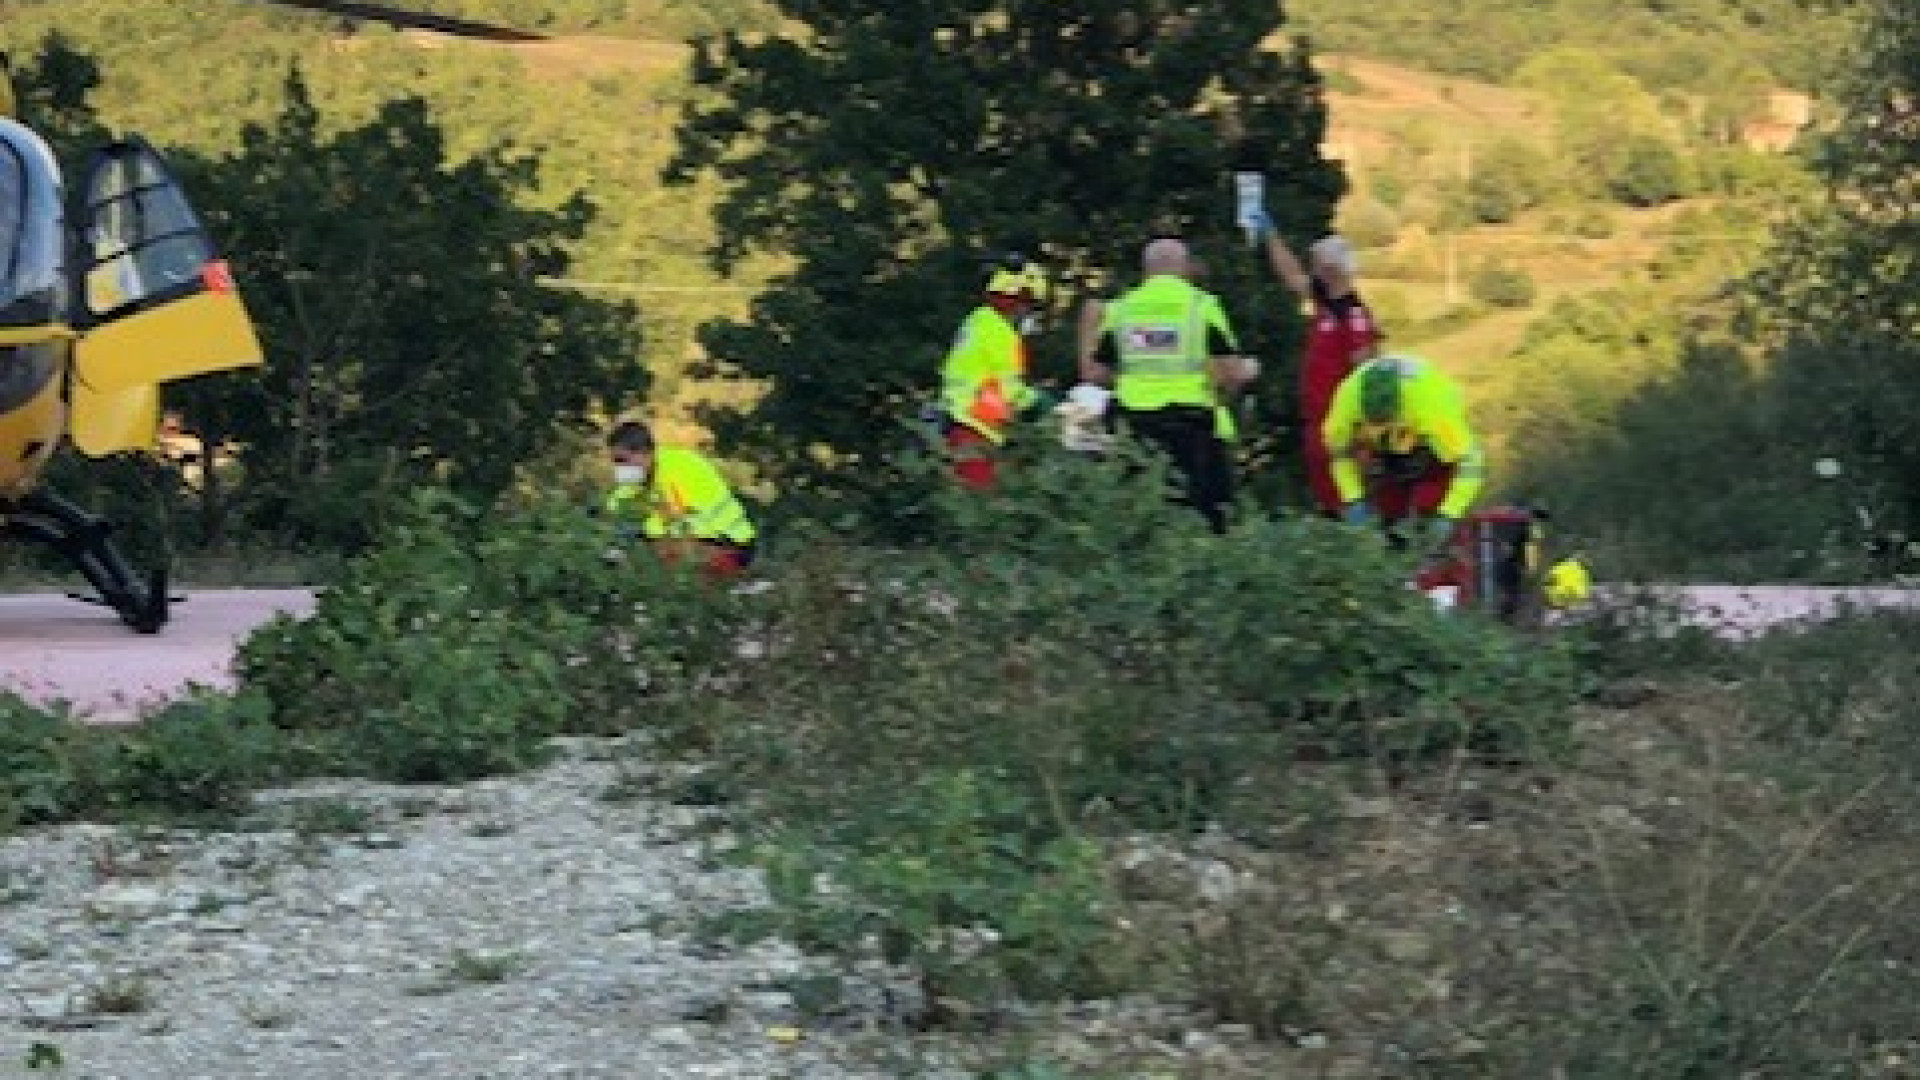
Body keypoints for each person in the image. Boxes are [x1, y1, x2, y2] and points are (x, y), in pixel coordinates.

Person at [1088, 237, 1252, 533]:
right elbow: (1230, 372)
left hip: (1133, 424)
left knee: (1135, 515)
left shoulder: (1124, 309)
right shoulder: (1202, 306)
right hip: (1190, 426)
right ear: (1184, 268)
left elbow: (1098, 372)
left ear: (1146, 270)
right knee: (1202, 516)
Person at [1249, 210, 1381, 518]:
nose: (1313, 270)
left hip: (1340, 428)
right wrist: (1271, 234)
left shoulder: (1353, 316)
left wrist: (1360, 435)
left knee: (1347, 502)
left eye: (1317, 264)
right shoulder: (1327, 303)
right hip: (1317, 425)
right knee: (1328, 502)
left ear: (1330, 268)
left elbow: (1366, 374)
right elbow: (1292, 275)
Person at [1321, 355, 1483, 555]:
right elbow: (1338, 455)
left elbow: (1470, 462)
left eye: (1385, 423)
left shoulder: (1433, 410)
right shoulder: (1345, 406)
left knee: (1434, 501)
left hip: (1430, 439)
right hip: (1387, 441)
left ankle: (1438, 554)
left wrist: (1449, 514)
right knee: (1388, 507)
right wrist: (1354, 499)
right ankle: (1393, 551)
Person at [938, 256, 1052, 489]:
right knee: (980, 508)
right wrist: (1044, 403)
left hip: (960, 423)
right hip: (975, 429)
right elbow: (1011, 393)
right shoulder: (1002, 334)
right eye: (1031, 307)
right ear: (1018, 301)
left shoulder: (978, 320)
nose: (1031, 316)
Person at [603, 419, 757, 580]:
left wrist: (643, 534)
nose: (619, 468)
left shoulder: (680, 467)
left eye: (622, 460)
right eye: (615, 462)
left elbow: (686, 523)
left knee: (660, 555)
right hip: (697, 542)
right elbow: (617, 506)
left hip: (729, 543)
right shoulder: (642, 476)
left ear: (645, 452)